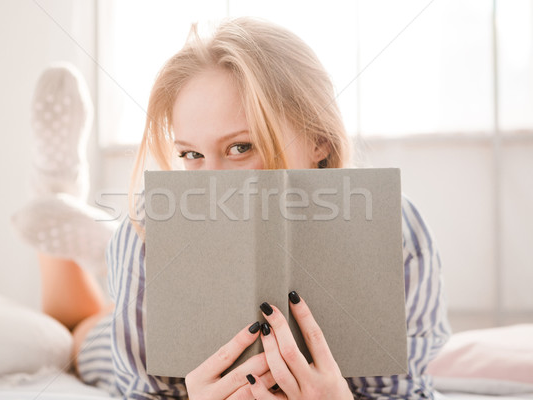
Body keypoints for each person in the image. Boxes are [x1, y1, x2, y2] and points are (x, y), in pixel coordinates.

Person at [39, 17, 451, 399]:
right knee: (81, 335)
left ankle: (91, 240)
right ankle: (56, 190)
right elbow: (140, 391)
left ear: (318, 139)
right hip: (131, 309)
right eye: (191, 154)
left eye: (241, 147)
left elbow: (406, 392)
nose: (213, 184)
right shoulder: (149, 229)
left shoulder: (396, 230)